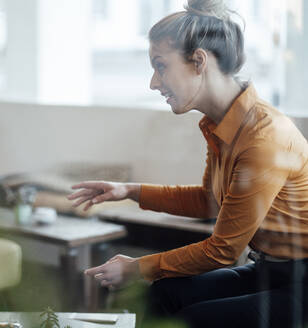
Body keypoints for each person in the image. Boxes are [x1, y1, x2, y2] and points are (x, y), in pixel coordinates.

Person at [68, 0, 308, 327]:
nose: (153, 82)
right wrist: (127, 190)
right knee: (162, 293)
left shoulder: (262, 138)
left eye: (161, 66)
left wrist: (135, 267)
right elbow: (210, 200)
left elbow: (223, 250)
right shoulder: (218, 124)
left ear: (198, 61)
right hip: (270, 270)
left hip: (301, 281)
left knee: (196, 318)